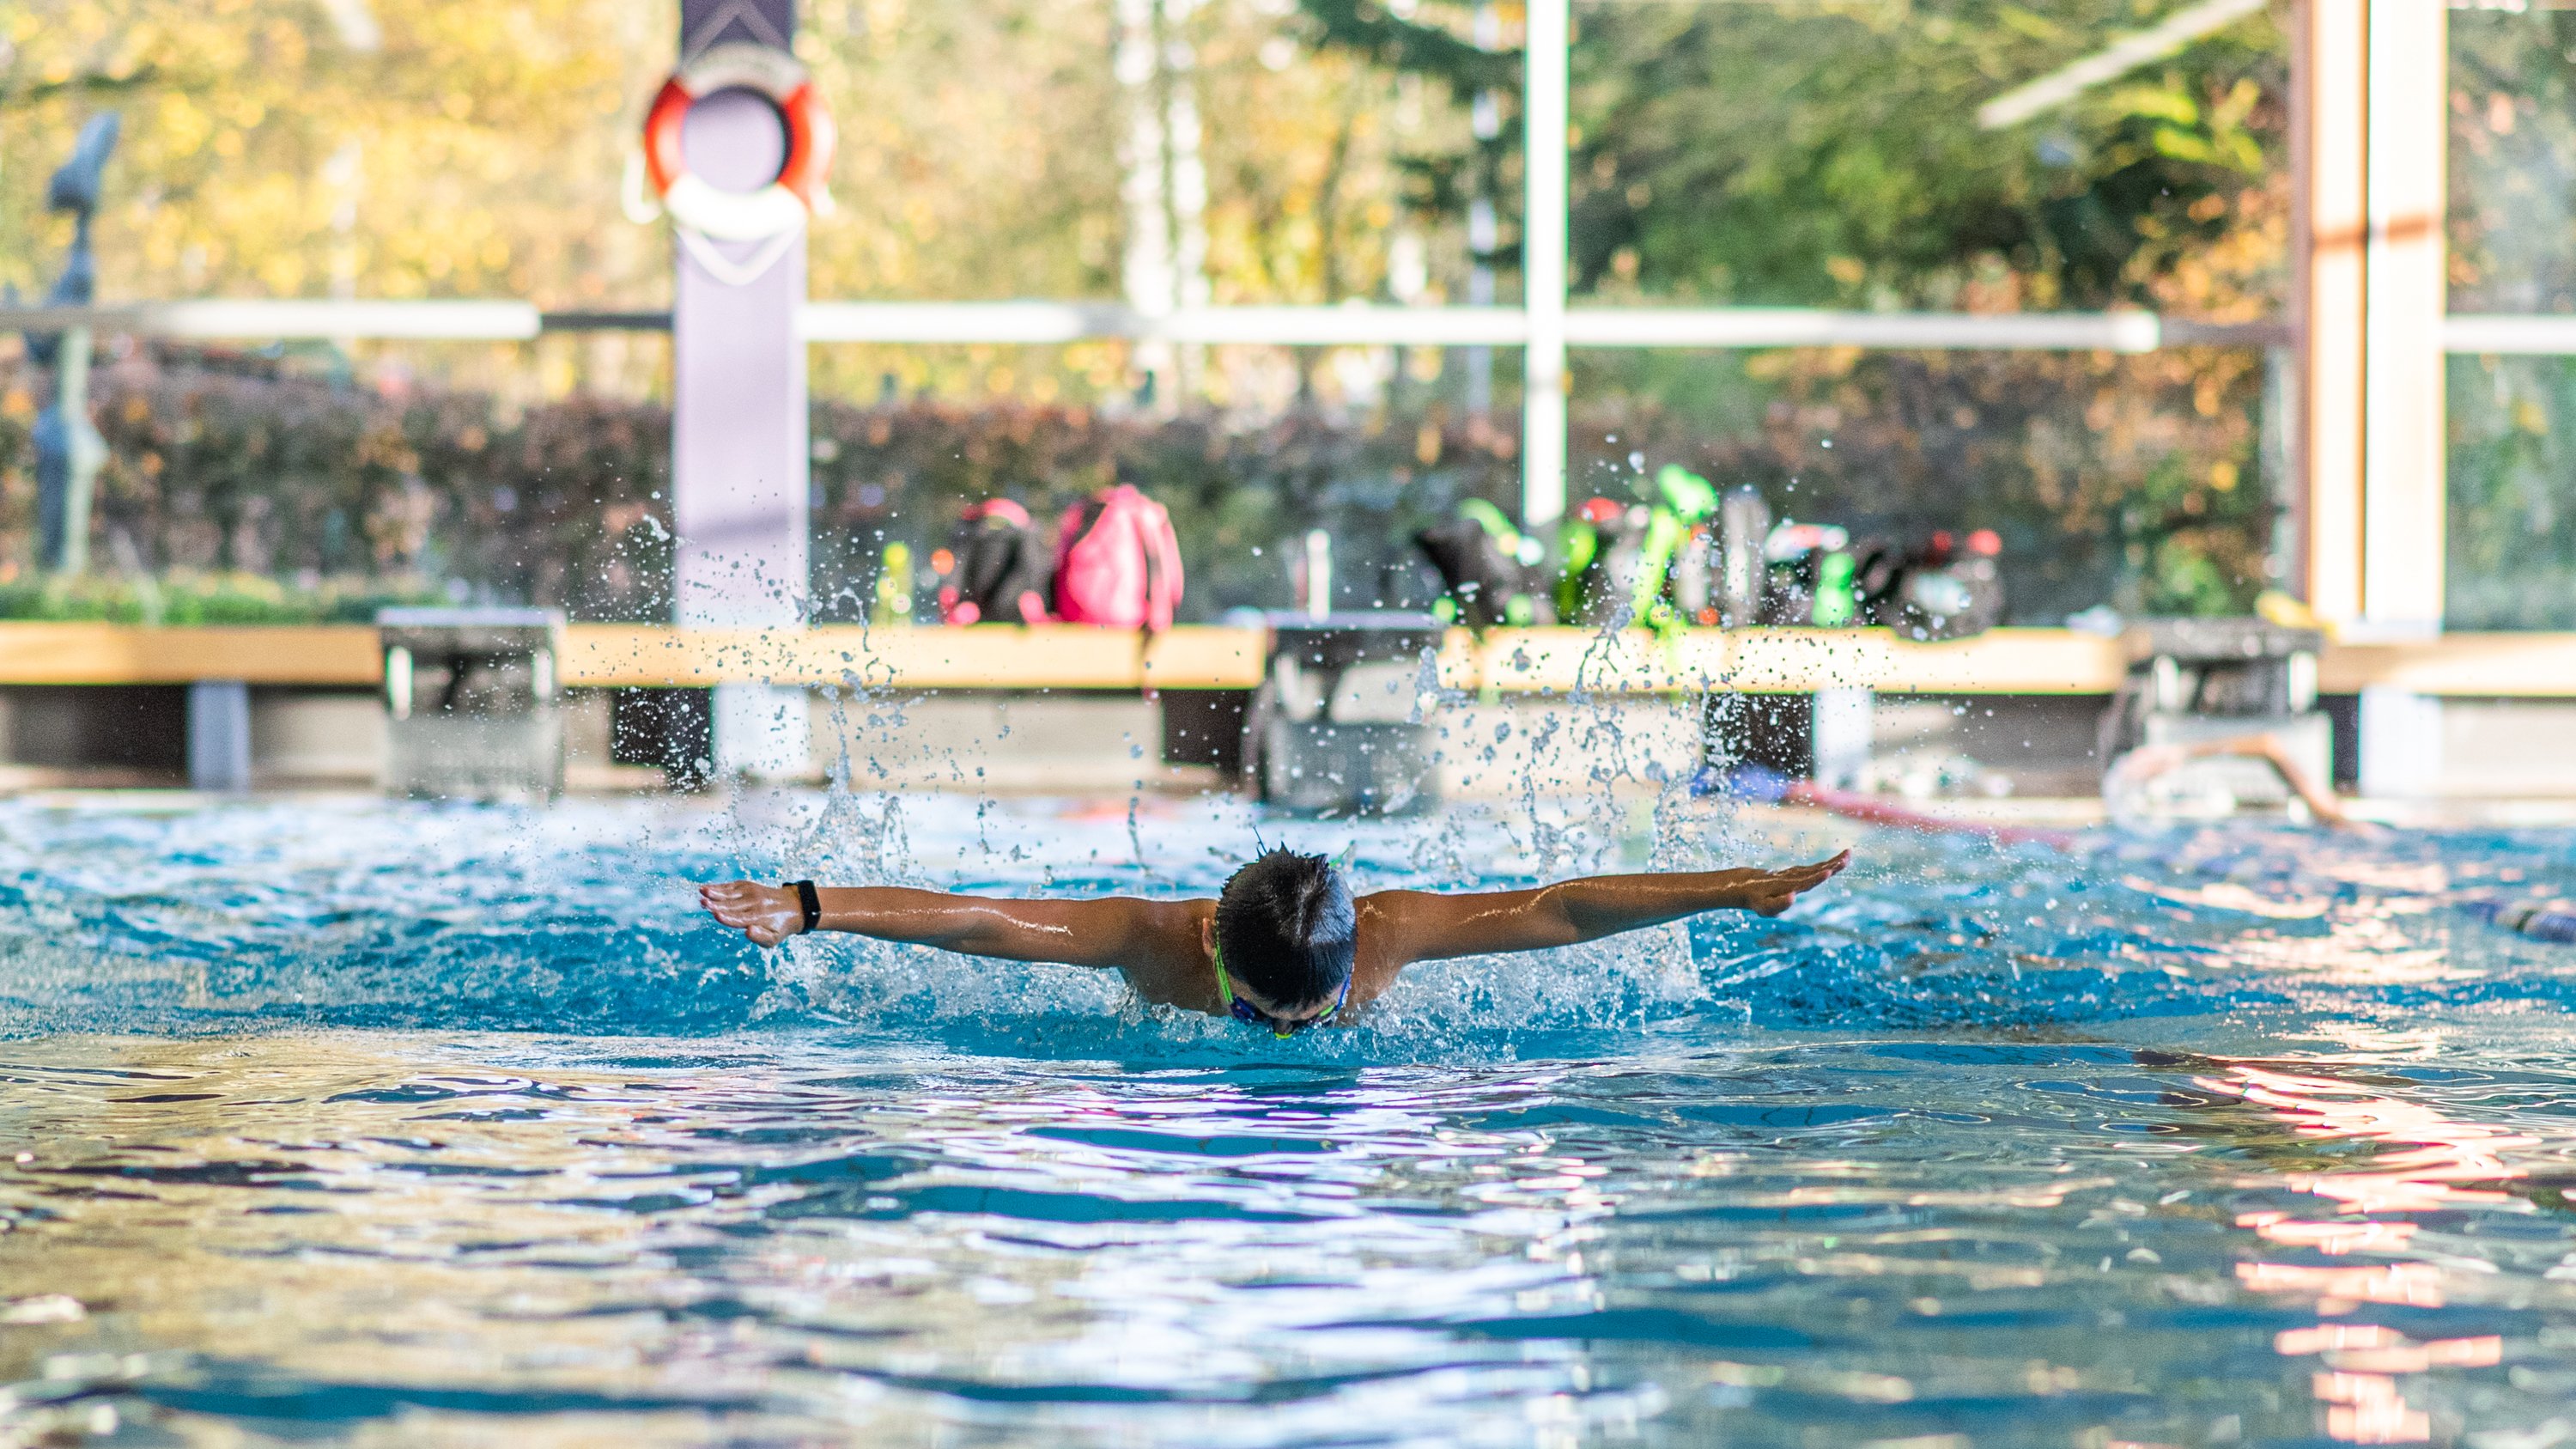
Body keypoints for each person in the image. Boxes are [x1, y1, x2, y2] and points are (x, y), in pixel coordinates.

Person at [700, 848, 1852, 1037]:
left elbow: (1562, 909)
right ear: (1218, 958)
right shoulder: (1152, 942)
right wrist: (809, 904)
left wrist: (1734, 888)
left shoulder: (1391, 934)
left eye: (1311, 1014)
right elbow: (982, 917)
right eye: (1259, 1017)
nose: (1291, 1035)